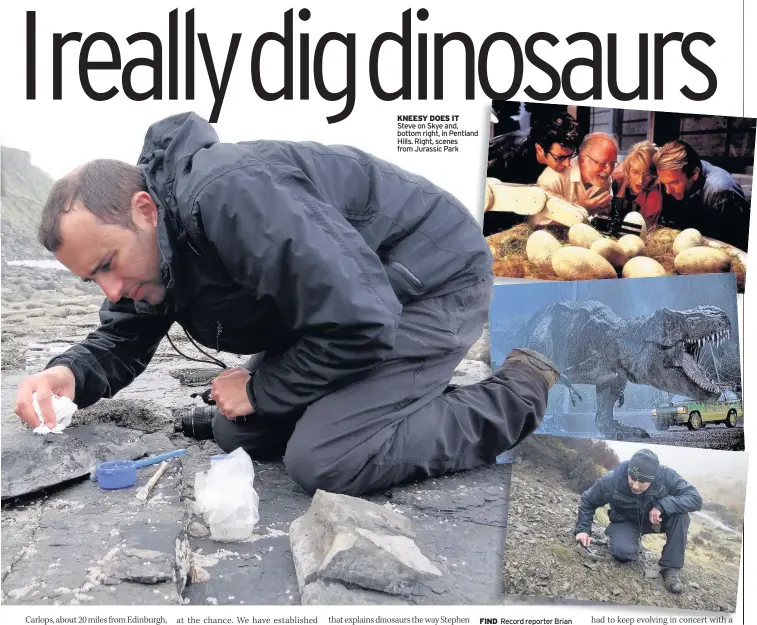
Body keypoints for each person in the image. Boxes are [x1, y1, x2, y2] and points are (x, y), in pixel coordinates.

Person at [13, 111, 561, 498]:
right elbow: (120, 337)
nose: (110, 290)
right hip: (346, 306)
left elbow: (361, 319)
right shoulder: (155, 252)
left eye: (107, 263)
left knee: (325, 459)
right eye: (93, 279)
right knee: (236, 433)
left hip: (430, 277)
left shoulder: (229, 195)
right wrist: (68, 374)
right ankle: (396, 393)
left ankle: (520, 387)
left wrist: (259, 388)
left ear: (143, 210)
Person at [574, 449, 702, 594]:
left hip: (655, 521)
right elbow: (588, 500)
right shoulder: (612, 480)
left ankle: (670, 569)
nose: (635, 485)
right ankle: (628, 540)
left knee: (681, 515)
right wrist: (583, 529)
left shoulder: (666, 476)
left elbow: (695, 499)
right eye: (632, 478)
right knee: (623, 553)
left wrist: (662, 506)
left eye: (642, 481)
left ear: (652, 479)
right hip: (625, 520)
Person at [484, 112, 582, 235]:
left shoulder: (547, 140)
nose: (568, 164)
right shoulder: (507, 158)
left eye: (571, 156)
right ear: (539, 149)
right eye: (560, 158)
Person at [654, 140, 751, 251]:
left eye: (674, 183)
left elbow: (735, 248)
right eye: (664, 183)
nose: (668, 191)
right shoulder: (681, 174)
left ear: (695, 173)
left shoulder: (720, 193)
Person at [536, 133, 619, 225]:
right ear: (582, 159)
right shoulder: (552, 179)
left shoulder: (604, 178)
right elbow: (538, 228)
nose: (608, 171)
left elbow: (605, 215)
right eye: (602, 163)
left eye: (612, 164)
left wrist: (606, 211)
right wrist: (580, 210)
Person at [611, 140, 664, 230]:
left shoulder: (655, 196)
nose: (640, 181)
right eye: (635, 172)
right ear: (628, 169)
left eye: (647, 174)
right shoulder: (616, 181)